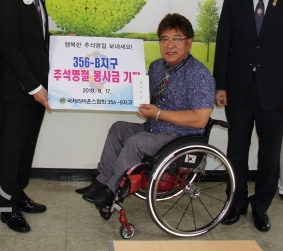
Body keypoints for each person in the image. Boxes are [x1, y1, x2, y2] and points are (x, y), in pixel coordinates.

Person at [213, 0, 283, 232]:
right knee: (236, 150)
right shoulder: (234, 0)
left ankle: (261, 206)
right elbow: (223, 46)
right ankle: (236, 203)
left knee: (269, 154)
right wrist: (220, 85)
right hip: (239, 89)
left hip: (275, 93)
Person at [78, 13, 215, 205]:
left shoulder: (198, 74)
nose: (170, 45)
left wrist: (157, 114)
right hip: (155, 128)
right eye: (164, 39)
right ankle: (102, 181)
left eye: (177, 39)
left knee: (137, 142)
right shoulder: (157, 66)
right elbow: (148, 96)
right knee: (118, 128)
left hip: (180, 135)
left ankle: (113, 190)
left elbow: (200, 119)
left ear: (189, 42)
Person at [0, 0, 51, 233]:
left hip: (37, 90)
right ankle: (7, 208)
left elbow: (36, 43)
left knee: (26, 148)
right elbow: (10, 50)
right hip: (17, 92)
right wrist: (34, 87)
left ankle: (18, 194)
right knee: (11, 151)